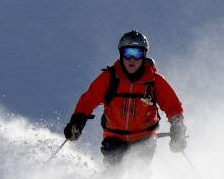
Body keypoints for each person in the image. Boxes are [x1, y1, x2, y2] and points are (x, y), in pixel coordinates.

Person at [63, 30, 187, 167]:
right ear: (121, 54)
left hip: (144, 138)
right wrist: (77, 121)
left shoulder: (154, 81)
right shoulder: (109, 78)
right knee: (114, 173)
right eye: (128, 53)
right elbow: (88, 100)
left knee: (137, 171)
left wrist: (178, 128)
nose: (132, 59)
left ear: (144, 55)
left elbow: (173, 106)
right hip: (114, 137)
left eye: (137, 53)